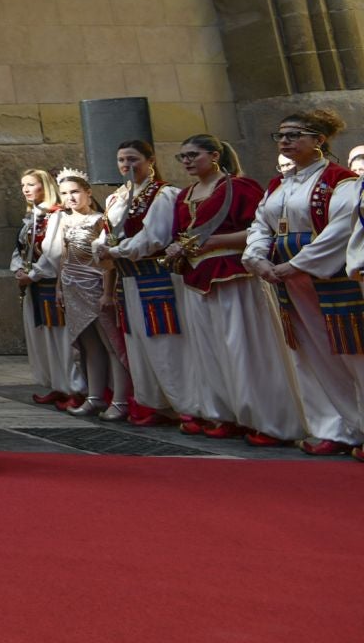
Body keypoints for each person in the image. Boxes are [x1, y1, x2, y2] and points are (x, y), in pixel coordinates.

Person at [159, 133, 301, 447]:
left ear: (214, 155)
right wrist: (177, 249)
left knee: (245, 349)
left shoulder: (240, 188)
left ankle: (267, 420)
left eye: (193, 154)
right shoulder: (185, 195)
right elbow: (183, 235)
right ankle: (223, 414)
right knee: (210, 351)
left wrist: (218, 241)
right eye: (182, 156)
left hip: (234, 276)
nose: (187, 161)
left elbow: (262, 228)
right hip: (196, 279)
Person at [249, 109, 362, 455]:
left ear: (319, 140)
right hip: (287, 280)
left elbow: (340, 230)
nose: (285, 141)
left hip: (328, 278)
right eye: (281, 135)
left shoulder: (341, 181)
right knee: (313, 355)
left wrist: (296, 265)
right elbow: (260, 224)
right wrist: (257, 258)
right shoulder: (278, 184)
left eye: (295, 135)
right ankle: (335, 428)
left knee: (352, 354)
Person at [92, 142, 193, 428]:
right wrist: (100, 247)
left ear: (150, 160)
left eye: (133, 158)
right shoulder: (116, 198)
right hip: (127, 279)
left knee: (165, 341)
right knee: (138, 343)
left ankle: (182, 403)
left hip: (155, 277)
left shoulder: (162, 194)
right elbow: (106, 233)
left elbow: (154, 237)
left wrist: (116, 251)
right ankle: (154, 402)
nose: (127, 164)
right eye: (122, 159)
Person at [40, 171, 130, 421]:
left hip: (95, 286)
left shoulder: (101, 220)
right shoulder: (65, 221)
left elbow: (107, 259)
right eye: (65, 193)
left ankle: (121, 400)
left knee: (111, 343)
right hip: (72, 287)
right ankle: (95, 396)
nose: (70, 197)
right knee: (89, 346)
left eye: (75, 192)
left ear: (88, 192)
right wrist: (59, 286)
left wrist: (108, 292)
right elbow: (64, 258)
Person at [11, 168, 77, 409]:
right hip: (35, 286)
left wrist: (33, 274)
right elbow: (19, 247)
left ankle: (74, 387)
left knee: (61, 337)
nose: (26, 189)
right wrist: (18, 269)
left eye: (31, 184)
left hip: (51, 284)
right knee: (45, 337)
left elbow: (54, 253)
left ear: (45, 186)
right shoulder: (32, 217)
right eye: (23, 185)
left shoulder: (56, 216)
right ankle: (58, 385)